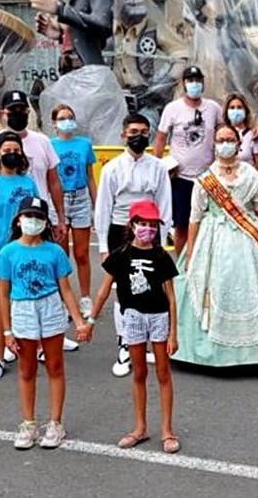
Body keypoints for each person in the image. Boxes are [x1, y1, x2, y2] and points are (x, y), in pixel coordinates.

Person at [173, 125, 258, 366]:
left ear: (238, 143)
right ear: (214, 144)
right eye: (221, 139)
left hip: (249, 238)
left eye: (230, 139)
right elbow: (195, 218)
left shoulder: (252, 176)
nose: (225, 144)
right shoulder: (205, 179)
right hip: (213, 239)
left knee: (257, 286)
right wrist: (190, 253)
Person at [0, 196, 91, 450]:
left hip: (49, 306)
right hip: (23, 307)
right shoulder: (8, 253)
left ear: (46, 222)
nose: (33, 221)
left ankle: (55, 422)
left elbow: (66, 290)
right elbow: (3, 294)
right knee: (26, 369)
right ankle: (28, 422)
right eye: (29, 216)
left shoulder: (55, 251)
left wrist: (79, 321)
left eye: (38, 217)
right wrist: (6, 330)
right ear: (18, 219)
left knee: (54, 365)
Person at [87, 200, 181, 453]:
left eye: (152, 225)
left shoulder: (161, 256)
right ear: (132, 224)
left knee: (163, 372)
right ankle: (140, 427)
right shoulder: (120, 256)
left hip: (159, 316)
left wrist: (174, 332)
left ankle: (167, 429)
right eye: (143, 224)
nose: (147, 229)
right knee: (139, 373)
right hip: (133, 316)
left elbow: (171, 297)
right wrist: (91, 321)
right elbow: (104, 290)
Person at [94, 114, 173, 377]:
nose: (139, 136)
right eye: (133, 131)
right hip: (120, 230)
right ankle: (125, 342)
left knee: (153, 286)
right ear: (123, 135)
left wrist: (160, 237)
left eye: (144, 131)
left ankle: (153, 339)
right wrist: (104, 245)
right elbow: (103, 208)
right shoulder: (112, 169)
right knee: (122, 289)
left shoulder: (158, 167)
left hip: (150, 230)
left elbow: (165, 203)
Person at [0, 131, 43, 379]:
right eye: (7, 151)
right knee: (2, 306)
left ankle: (33, 347)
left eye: (16, 150)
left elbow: (37, 216)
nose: (12, 154)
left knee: (30, 301)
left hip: (28, 251)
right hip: (2, 254)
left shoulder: (28, 183)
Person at [0, 90, 68, 241]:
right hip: (3, 223)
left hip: (38, 218)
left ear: (28, 111)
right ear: (3, 112)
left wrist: (61, 219)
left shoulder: (43, 141)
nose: (18, 113)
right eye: (12, 109)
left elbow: (54, 182)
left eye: (22, 109)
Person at [153, 66, 222, 255]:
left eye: (198, 80)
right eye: (190, 81)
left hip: (207, 177)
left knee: (209, 223)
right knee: (182, 225)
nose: (194, 84)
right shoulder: (173, 109)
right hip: (181, 178)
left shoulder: (213, 108)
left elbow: (225, 132)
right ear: (184, 84)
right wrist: (158, 167)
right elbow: (160, 138)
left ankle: (205, 262)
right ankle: (182, 266)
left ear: (203, 82)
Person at [49, 104, 98, 316]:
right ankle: (63, 299)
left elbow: (90, 176)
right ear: (54, 123)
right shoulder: (49, 145)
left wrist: (96, 205)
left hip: (80, 198)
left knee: (82, 252)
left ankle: (86, 297)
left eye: (70, 117)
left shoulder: (85, 145)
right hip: (59, 198)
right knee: (61, 253)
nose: (67, 121)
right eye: (62, 118)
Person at [223, 93, 258, 173]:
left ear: (245, 111)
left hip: (247, 182)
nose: (235, 111)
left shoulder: (254, 135)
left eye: (239, 107)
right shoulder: (221, 135)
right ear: (227, 111)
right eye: (232, 108)